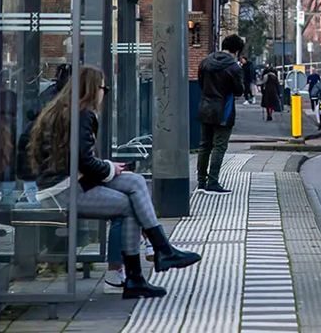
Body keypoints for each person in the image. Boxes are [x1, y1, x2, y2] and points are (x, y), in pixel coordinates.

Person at [29, 65, 200, 299]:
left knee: (136, 181)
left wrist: (110, 169)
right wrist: (109, 168)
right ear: (92, 89)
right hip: (64, 190)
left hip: (61, 185)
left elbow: (76, 159)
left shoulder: (62, 110)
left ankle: (159, 252)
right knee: (129, 206)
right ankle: (142, 268)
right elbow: (84, 161)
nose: (104, 93)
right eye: (104, 88)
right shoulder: (83, 114)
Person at [197, 35, 246, 194]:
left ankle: (201, 181)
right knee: (219, 146)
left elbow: (200, 84)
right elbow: (239, 90)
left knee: (205, 145)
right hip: (224, 110)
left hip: (205, 107)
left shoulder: (206, 61)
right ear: (237, 50)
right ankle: (213, 181)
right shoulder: (234, 67)